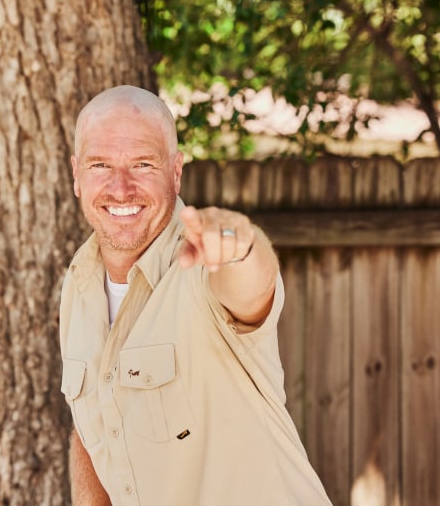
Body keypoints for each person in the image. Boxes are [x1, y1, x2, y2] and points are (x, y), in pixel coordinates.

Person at [59, 85, 331, 505]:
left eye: (142, 164)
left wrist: (239, 246)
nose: (121, 187)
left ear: (176, 171)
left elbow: (250, 283)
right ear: (76, 175)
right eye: (101, 165)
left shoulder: (202, 265)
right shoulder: (79, 285)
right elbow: (94, 424)